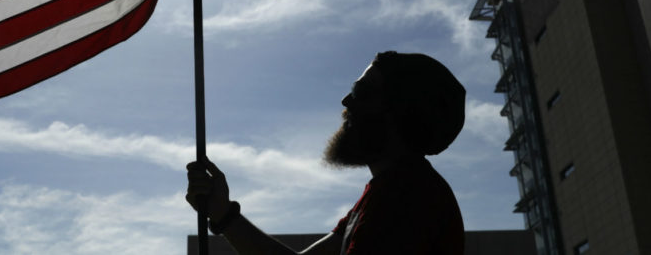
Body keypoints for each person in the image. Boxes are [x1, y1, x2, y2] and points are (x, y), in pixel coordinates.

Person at [186, 51, 466, 254]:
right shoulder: (387, 192)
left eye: (361, 91)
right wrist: (223, 213)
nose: (346, 101)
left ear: (400, 111)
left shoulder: (407, 197)